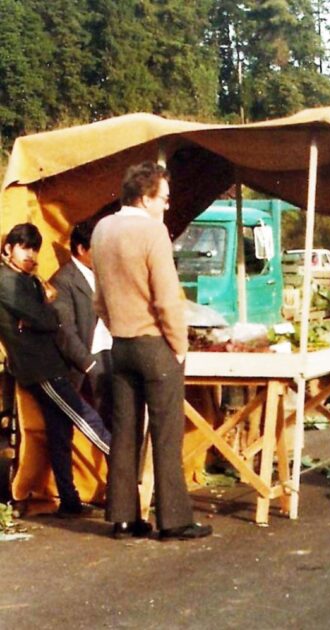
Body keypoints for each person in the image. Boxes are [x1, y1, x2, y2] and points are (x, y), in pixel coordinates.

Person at [92, 161, 210, 540]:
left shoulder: (102, 228)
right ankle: (173, 520)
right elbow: (167, 299)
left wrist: (117, 329)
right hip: (155, 344)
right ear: (145, 198)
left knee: (125, 431)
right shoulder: (152, 232)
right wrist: (178, 345)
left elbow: (99, 300)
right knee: (166, 433)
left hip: (121, 345)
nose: (168, 206)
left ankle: (123, 519)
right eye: (164, 198)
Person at [0, 223, 111, 518]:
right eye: (24, 247)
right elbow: (47, 318)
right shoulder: (6, 281)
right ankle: (122, 463)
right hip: (41, 369)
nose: (31, 255)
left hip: (48, 364)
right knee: (84, 417)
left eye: (34, 248)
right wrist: (43, 314)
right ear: (8, 249)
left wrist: (41, 316)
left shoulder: (29, 280)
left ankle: (69, 500)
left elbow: (45, 319)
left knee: (60, 433)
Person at [51, 222, 114, 427]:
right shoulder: (63, 280)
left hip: (114, 354)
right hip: (92, 362)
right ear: (81, 249)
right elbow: (65, 330)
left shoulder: (104, 274)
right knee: (105, 426)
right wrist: (88, 364)